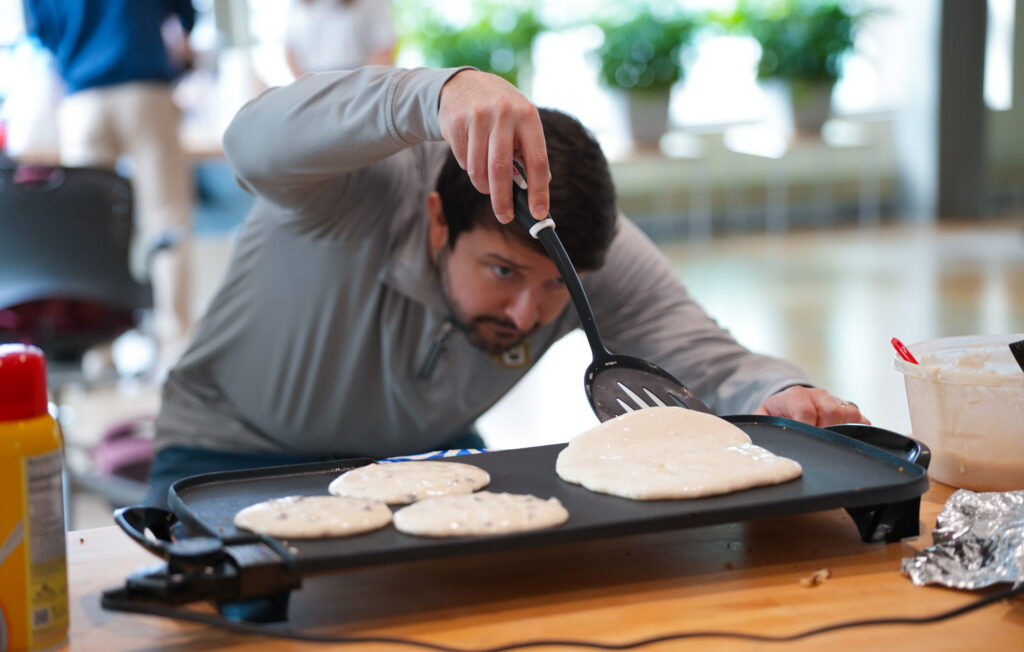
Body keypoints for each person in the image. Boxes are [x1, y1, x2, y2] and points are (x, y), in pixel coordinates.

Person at [146, 66, 869, 506]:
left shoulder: (592, 253)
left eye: (558, 288)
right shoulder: (354, 189)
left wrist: (779, 396)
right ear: (438, 220)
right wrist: (437, 92)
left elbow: (709, 360)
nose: (529, 313)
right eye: (503, 272)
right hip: (229, 456)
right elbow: (250, 142)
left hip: (424, 461)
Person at [23, 0, 196, 374]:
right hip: (144, 89)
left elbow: (40, 29)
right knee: (167, 220)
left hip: (82, 98)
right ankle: (176, 346)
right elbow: (185, 14)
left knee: (92, 232)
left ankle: (98, 347)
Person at [285, 0, 395, 78]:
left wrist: (363, 86)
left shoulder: (372, 3)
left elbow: (384, 46)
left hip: (358, 78)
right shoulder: (297, 4)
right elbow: (290, 49)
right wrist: (305, 87)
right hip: (311, 81)